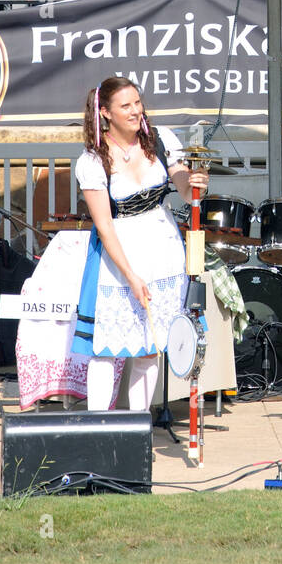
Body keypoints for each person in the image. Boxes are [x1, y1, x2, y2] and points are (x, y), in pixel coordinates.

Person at [70, 76, 210, 411]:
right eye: (126, 106)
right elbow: (104, 226)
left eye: (137, 102)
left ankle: (137, 427)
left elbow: (185, 190)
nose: (136, 111)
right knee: (106, 350)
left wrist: (198, 184)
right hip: (119, 258)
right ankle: (99, 430)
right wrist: (131, 276)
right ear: (105, 113)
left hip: (162, 249)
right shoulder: (92, 161)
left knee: (150, 346)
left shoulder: (160, 141)